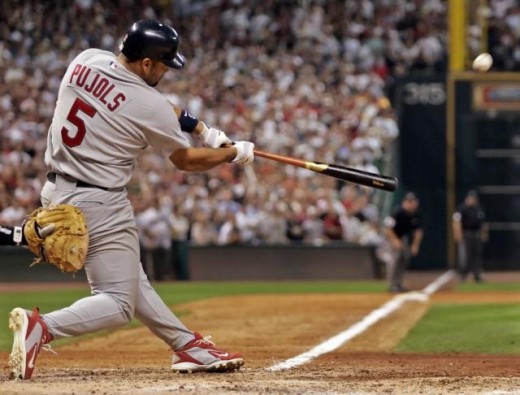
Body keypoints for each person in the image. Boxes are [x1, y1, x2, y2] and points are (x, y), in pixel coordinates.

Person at [7, 19, 254, 380]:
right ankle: (41, 327)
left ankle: (187, 346)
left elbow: (142, 101)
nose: (167, 72)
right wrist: (231, 154)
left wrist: (202, 130)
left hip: (57, 191)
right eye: (164, 65)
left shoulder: (86, 60)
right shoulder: (149, 102)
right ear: (147, 63)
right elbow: (185, 161)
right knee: (118, 302)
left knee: (130, 279)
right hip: (100, 200)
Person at [383, 192, 423, 293]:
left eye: (413, 202)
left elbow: (418, 231)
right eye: (410, 202)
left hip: (402, 238)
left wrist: (415, 245)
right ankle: (392, 285)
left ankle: (399, 284)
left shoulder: (415, 214)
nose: (412, 204)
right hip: (392, 238)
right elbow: (387, 229)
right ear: (405, 202)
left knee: (404, 259)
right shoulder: (397, 212)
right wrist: (395, 241)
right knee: (394, 261)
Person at [452, 190, 488, 282]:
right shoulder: (462, 208)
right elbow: (456, 222)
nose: (472, 200)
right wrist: (458, 234)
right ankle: (463, 275)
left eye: (474, 199)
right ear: (467, 199)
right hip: (466, 233)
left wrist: (484, 233)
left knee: (477, 254)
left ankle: (477, 275)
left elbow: (483, 223)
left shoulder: (479, 208)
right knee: (465, 255)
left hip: (476, 233)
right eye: (471, 198)